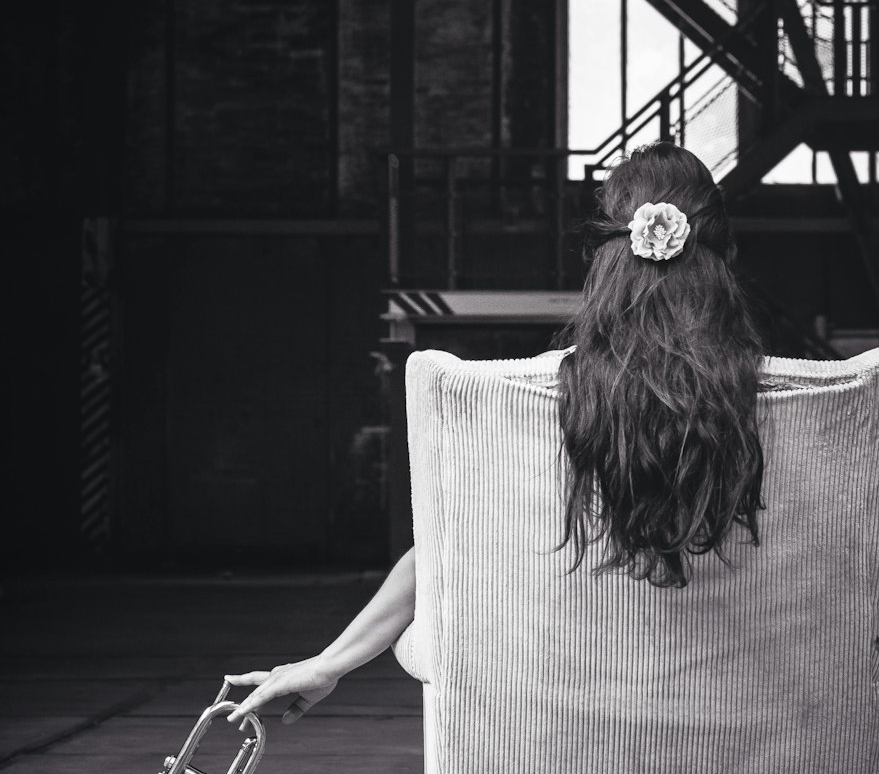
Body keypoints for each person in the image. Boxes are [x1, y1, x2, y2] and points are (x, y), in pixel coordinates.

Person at [225, 141, 766, 724]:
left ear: (600, 259)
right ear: (727, 254)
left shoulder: (522, 396)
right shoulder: (803, 401)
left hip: (561, 721)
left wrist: (328, 663)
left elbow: (443, 547)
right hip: (755, 717)